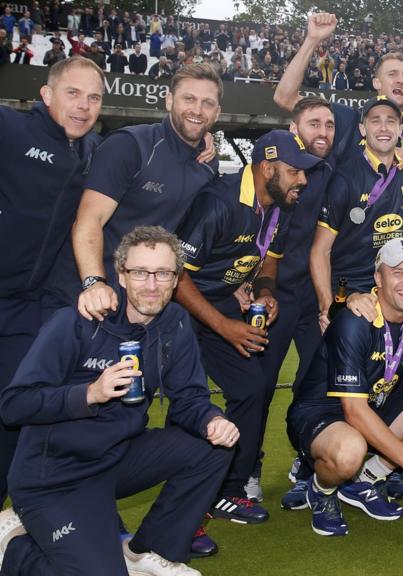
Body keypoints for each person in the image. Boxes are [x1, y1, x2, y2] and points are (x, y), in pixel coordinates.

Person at [0, 226, 238, 575]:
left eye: (163, 274)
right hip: (53, 478)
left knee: (215, 444)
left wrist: (211, 420)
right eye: (140, 272)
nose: (152, 284)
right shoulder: (77, 321)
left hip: (115, 458)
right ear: (121, 275)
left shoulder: (176, 324)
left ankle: (148, 551)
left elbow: (189, 397)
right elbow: (14, 404)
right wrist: (89, 394)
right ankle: (14, 548)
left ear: (176, 279)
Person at [174, 130, 320, 527]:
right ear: (267, 168)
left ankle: (230, 490)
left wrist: (265, 291)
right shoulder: (218, 202)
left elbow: (269, 260)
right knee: (186, 401)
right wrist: (224, 326)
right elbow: (176, 277)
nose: (303, 180)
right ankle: (183, 503)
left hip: (220, 303)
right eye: (294, 171)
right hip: (178, 311)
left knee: (253, 387)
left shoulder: (279, 205)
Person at [286, 238, 403, 536]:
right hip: (320, 413)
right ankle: (322, 490)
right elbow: (353, 411)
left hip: (373, 405)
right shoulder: (355, 322)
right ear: (378, 278)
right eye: (398, 272)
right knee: (350, 449)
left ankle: (365, 479)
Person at [0, 56, 104, 508]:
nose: (83, 106)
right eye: (73, 93)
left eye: (94, 97)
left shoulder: (91, 151)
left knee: (13, 416)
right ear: (46, 95)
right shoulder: (11, 130)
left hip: (26, 307)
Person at [73, 63, 221, 327]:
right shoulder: (129, 145)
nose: (197, 110)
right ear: (169, 101)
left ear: (217, 112)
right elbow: (88, 221)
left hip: (146, 302)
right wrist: (94, 283)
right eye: (189, 99)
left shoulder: (209, 164)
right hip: (92, 294)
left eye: (207, 103)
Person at [259, 96, 336, 508]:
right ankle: (246, 473)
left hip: (313, 300)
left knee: (318, 387)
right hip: (271, 295)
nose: (322, 132)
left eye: (328, 124)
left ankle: (308, 466)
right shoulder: (275, 172)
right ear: (294, 129)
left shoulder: (330, 169)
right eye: (313, 124)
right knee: (258, 388)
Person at [310, 97, 403, 329]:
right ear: (363, 129)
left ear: (400, 129)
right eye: (375, 121)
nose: (384, 128)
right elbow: (320, 251)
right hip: (351, 292)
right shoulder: (344, 179)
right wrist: (328, 308)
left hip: (396, 289)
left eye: (390, 121)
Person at [275, 13, 403, 170]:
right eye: (392, 74)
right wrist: (312, 39)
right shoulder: (348, 119)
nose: (401, 80)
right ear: (376, 83)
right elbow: (285, 97)